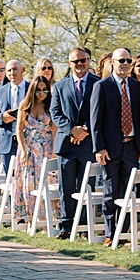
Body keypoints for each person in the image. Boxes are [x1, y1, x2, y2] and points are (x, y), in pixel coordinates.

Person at [88, 48, 140, 210]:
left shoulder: (135, 86)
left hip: (131, 146)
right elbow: (95, 120)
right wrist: (99, 148)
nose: (125, 64)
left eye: (128, 61)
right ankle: (111, 232)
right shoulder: (102, 86)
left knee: (128, 191)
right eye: (121, 61)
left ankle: (124, 230)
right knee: (111, 190)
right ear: (113, 62)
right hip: (110, 148)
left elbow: (138, 117)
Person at [50, 48, 95, 233]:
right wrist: (71, 130)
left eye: (82, 60)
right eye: (75, 61)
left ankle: (84, 227)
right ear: (69, 63)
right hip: (66, 145)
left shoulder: (98, 83)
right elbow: (55, 112)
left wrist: (83, 130)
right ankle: (66, 226)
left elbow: (100, 111)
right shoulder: (60, 86)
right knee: (66, 187)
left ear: (88, 60)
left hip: (88, 143)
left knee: (86, 188)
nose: (79, 64)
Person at [7, 72, 59, 227]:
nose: (42, 94)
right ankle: (30, 218)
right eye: (38, 91)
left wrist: (54, 151)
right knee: (28, 182)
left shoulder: (50, 105)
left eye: (44, 90)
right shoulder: (25, 105)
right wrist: (22, 150)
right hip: (29, 148)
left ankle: (47, 219)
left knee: (46, 182)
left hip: (46, 147)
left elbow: (54, 130)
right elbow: (19, 129)